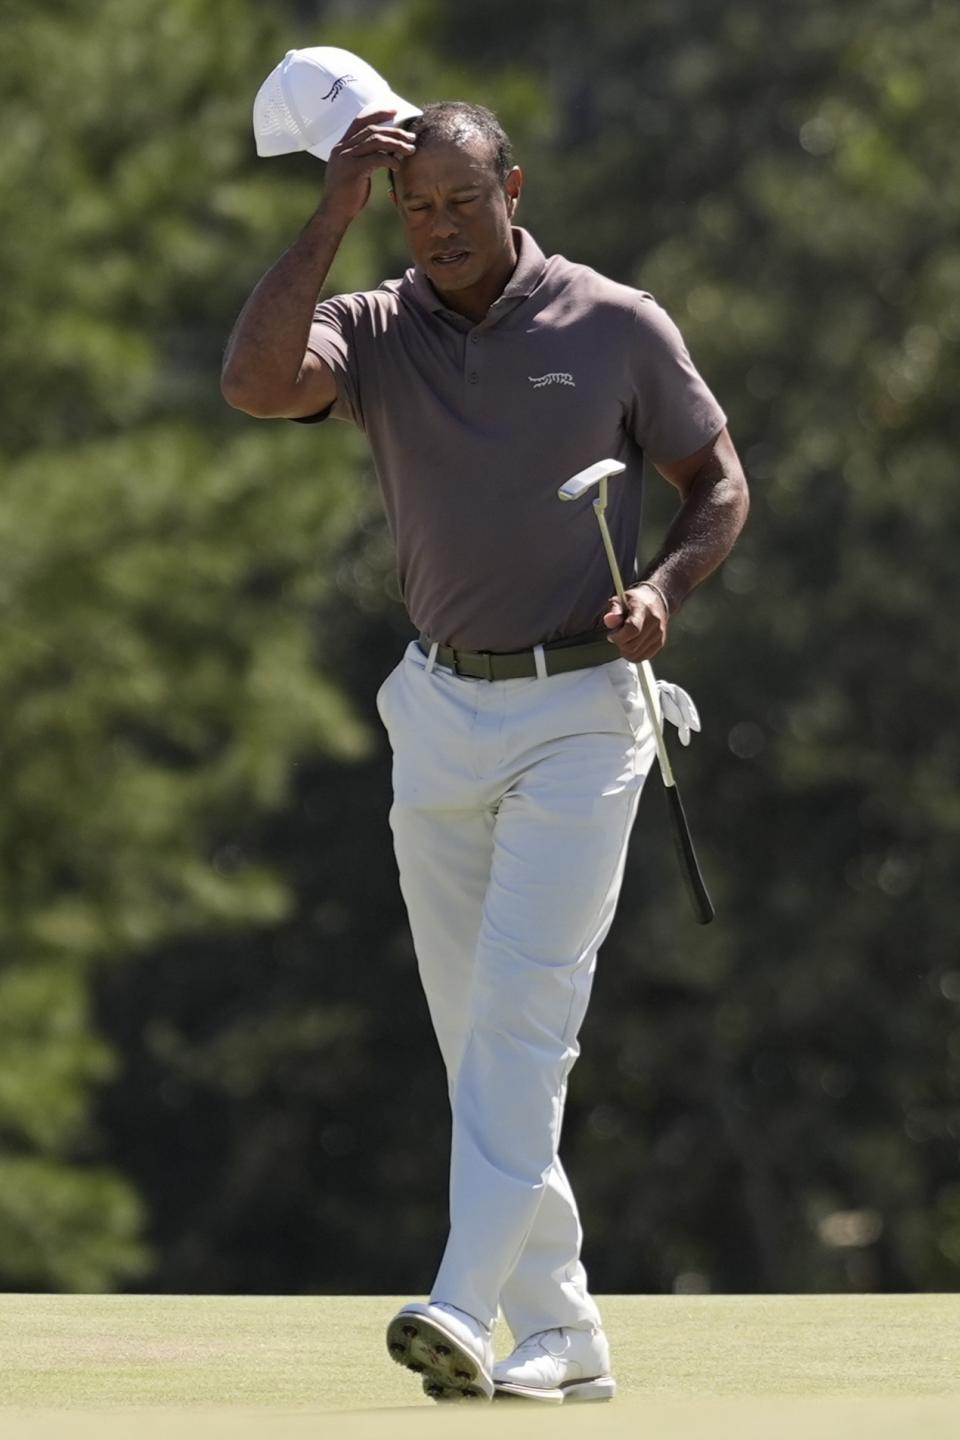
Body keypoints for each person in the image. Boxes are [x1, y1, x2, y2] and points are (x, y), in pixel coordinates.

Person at [221, 98, 749, 1405]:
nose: (441, 227)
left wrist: (667, 593)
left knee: (523, 1024)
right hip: (441, 710)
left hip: (583, 715)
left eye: (464, 200)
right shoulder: (380, 325)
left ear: (514, 185)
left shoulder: (615, 324)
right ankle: (563, 1335)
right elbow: (254, 383)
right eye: (418, 209)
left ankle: (463, 1305)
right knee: (478, 1038)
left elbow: (719, 479)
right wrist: (332, 209)